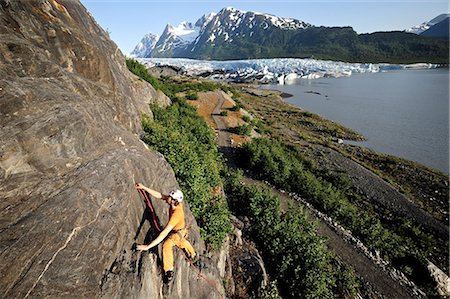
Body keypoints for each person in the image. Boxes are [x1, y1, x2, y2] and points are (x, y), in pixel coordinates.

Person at [135, 183, 196, 283]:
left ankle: (169, 271)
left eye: (170, 197)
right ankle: (192, 254)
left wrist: (147, 247)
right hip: (180, 230)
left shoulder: (176, 215)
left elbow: (163, 234)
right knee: (181, 241)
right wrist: (144, 188)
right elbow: (160, 195)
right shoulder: (174, 202)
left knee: (167, 245)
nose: (168, 198)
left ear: (174, 201)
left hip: (177, 233)